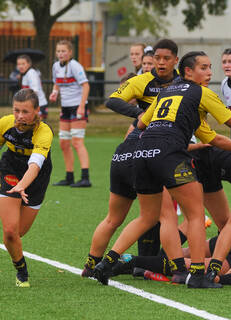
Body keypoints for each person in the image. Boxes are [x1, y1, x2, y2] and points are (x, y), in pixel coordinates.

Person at [93, 51, 231, 289]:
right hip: (168, 153)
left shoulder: (165, 93)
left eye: (210, 67)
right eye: (204, 67)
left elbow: (142, 124)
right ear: (188, 72)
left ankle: (106, 262)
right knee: (194, 215)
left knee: (148, 217)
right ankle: (197, 276)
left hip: (142, 152)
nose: (210, 72)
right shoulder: (202, 93)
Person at [82, 40, 187, 280]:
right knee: (164, 215)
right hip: (151, 152)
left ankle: (92, 265)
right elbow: (112, 100)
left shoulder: (184, 83)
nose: (160, 63)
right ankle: (179, 270)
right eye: (156, 58)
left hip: (128, 151)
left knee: (115, 218)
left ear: (175, 61)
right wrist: (139, 113)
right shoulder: (144, 81)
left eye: (165, 58)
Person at [0, 88, 53, 287]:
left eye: (25, 112)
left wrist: (23, 185)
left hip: (36, 177)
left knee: (19, 232)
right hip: (11, 169)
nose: (20, 117)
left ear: (37, 111)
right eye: (16, 111)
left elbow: (35, 165)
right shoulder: (5, 123)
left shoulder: (44, 132)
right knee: (10, 233)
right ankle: (22, 270)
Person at [49, 40, 91, 187]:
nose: (60, 54)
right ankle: (69, 177)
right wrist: (54, 93)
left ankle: (85, 177)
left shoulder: (75, 66)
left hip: (77, 107)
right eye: (58, 51)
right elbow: (57, 83)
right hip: (65, 108)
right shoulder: (55, 66)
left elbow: (86, 86)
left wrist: (81, 107)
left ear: (70, 52)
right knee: (63, 143)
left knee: (77, 142)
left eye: (63, 51)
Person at [16, 55, 48, 121]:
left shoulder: (31, 73)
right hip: (32, 105)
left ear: (29, 64)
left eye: (23, 64)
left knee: (37, 126)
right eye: (18, 64)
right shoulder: (25, 74)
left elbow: (34, 92)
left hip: (39, 105)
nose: (20, 66)